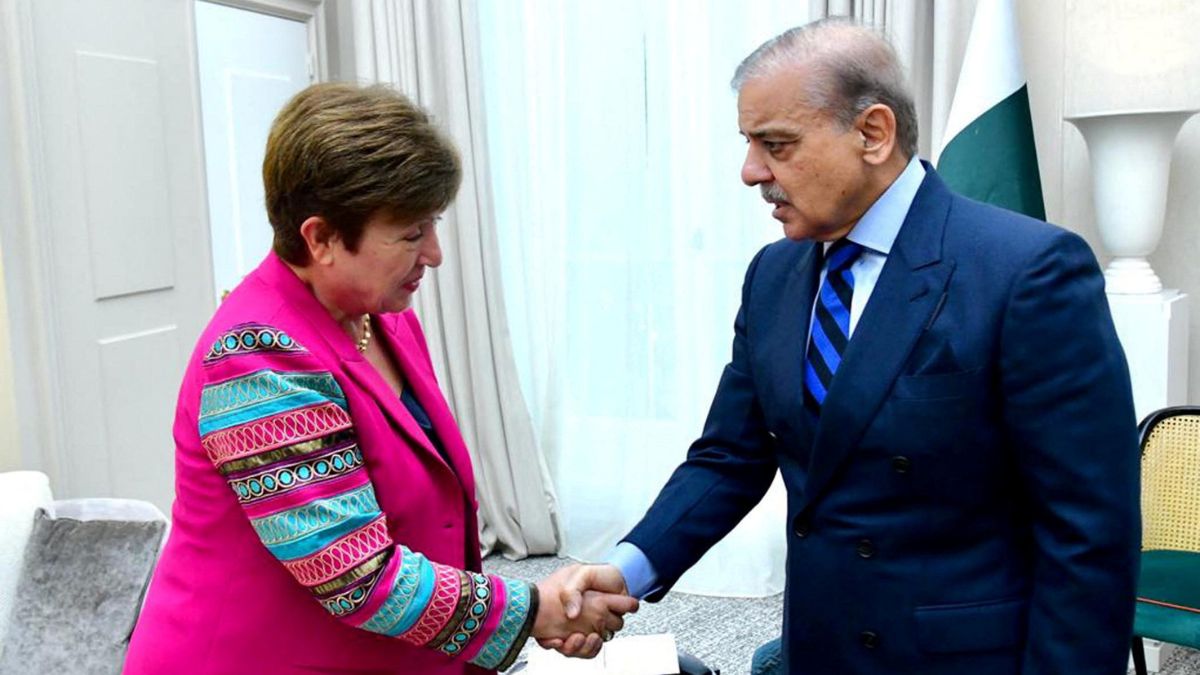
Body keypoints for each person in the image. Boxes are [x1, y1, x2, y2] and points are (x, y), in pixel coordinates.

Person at [560, 19, 1140, 674]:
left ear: (872, 134)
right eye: (750, 143)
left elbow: (1088, 537)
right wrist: (628, 570)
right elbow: (730, 456)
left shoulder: (1025, 271)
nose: (751, 172)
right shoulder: (773, 276)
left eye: (776, 144)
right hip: (819, 645)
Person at [124, 83, 636, 674]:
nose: (436, 254)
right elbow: (355, 575)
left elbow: (431, 513)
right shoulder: (256, 356)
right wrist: (529, 610)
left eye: (433, 225)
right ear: (320, 239)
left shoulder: (381, 318)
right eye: (412, 233)